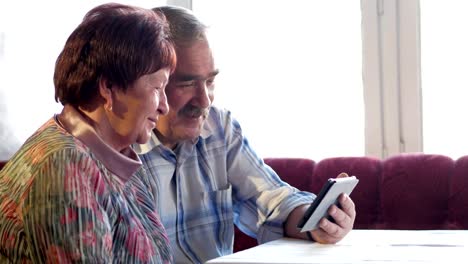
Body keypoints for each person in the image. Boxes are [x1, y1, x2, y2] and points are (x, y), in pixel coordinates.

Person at [135, 5, 356, 264]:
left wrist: (317, 221)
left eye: (209, 82)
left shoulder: (219, 127)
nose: (204, 100)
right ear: (152, 83)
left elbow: (272, 200)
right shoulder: (117, 148)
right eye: (186, 83)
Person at [0, 3, 176, 263]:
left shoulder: (110, 156)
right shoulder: (62, 167)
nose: (164, 106)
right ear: (108, 87)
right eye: (157, 88)